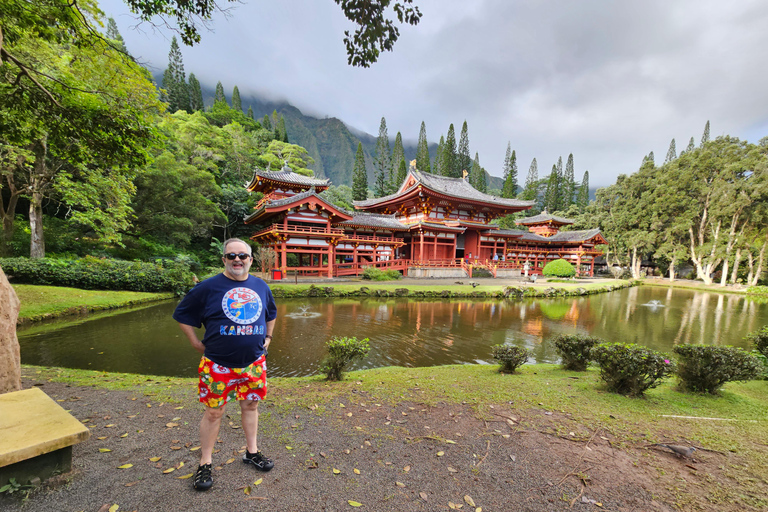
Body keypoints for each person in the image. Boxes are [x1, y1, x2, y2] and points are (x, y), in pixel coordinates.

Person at [173, 238, 277, 491]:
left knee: (251, 406)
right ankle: (205, 462)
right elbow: (182, 315)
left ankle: (251, 452)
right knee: (213, 412)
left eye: (243, 255)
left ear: (251, 259)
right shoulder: (208, 287)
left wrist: (268, 338)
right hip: (218, 364)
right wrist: (196, 343)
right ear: (224, 260)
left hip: (253, 362)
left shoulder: (261, 286)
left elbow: (271, 313)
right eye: (232, 256)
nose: (237, 260)